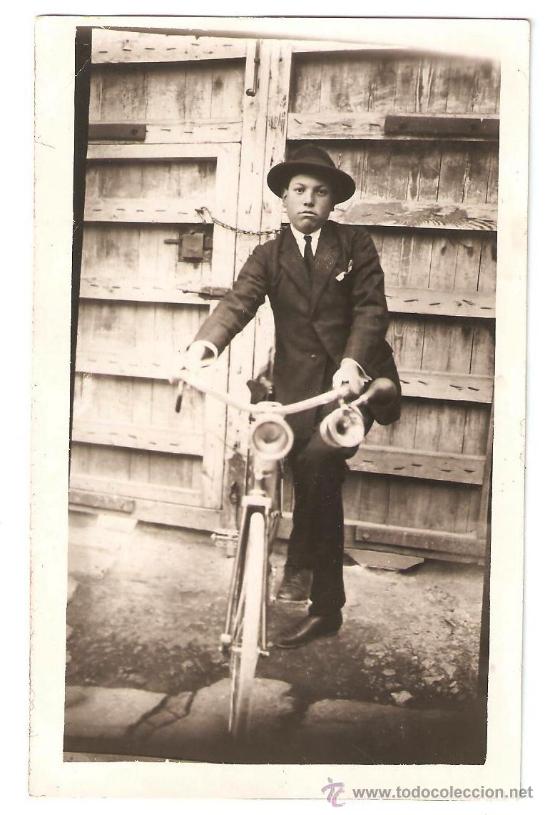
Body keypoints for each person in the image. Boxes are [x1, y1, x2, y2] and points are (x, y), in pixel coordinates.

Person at [180, 144, 401, 648]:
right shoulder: (269, 255)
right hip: (297, 389)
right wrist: (202, 349)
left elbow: (371, 310)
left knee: (321, 463)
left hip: (356, 384)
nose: (309, 200)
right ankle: (326, 608)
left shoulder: (354, 245)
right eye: (299, 190)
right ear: (283, 198)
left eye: (320, 192)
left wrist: (352, 364)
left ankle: (301, 568)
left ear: (332, 202)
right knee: (304, 474)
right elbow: (238, 303)